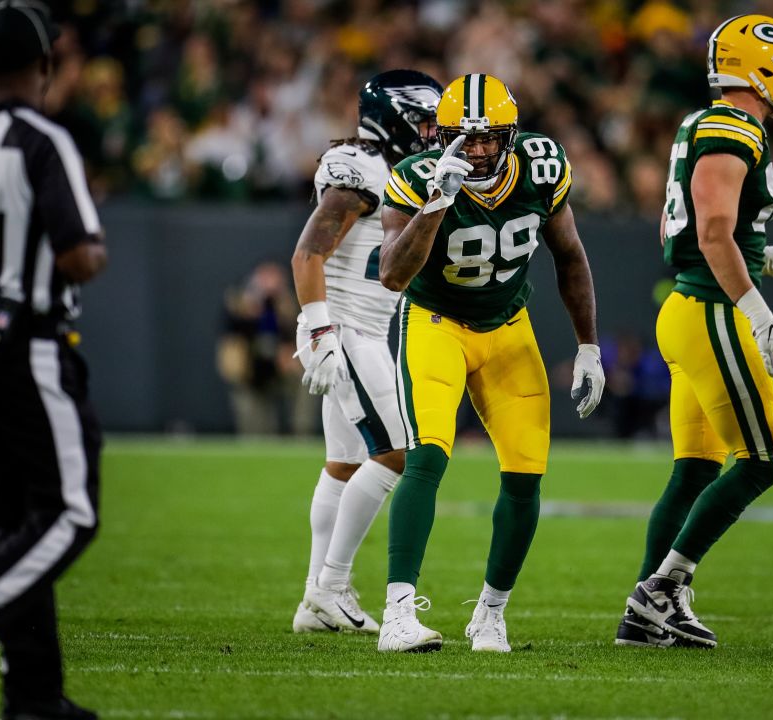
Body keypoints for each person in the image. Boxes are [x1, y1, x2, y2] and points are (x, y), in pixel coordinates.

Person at [376, 73, 604, 653]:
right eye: (462, 138)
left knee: (526, 476)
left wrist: (588, 345)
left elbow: (570, 256)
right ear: (442, 135)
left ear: (511, 134)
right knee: (427, 456)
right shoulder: (414, 178)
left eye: (487, 138)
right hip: (435, 323)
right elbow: (393, 276)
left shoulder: (543, 167)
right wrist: (437, 203)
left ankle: (490, 614)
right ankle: (397, 613)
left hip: (507, 327)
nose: (475, 150)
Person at [615, 15, 773, 649]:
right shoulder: (731, 125)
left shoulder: (712, 123)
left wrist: (759, 254)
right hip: (711, 312)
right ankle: (661, 590)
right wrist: (758, 308)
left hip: (691, 306)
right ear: (759, 65)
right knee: (761, 460)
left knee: (696, 469)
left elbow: (709, 229)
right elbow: (711, 231)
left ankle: (644, 617)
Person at [288, 69, 442, 634]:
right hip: (345, 330)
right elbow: (307, 254)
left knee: (345, 463)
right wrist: (320, 330)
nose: (433, 132)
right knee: (400, 451)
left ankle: (315, 601)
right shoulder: (362, 171)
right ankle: (330, 586)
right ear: (394, 119)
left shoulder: (398, 170)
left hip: (363, 330)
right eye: (424, 121)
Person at [0, 2, 108, 718]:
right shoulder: (38, 138)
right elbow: (80, 253)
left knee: (14, 518)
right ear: (43, 67)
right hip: (25, 347)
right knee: (70, 510)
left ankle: (33, 698)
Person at [216, 261, 303, 436]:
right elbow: (232, 329)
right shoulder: (239, 299)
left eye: (275, 277)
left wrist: (288, 352)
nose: (270, 282)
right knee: (254, 421)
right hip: (249, 368)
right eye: (265, 276)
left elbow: (294, 329)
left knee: (306, 380)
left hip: (278, 367)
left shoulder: (287, 302)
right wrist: (251, 308)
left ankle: (301, 433)